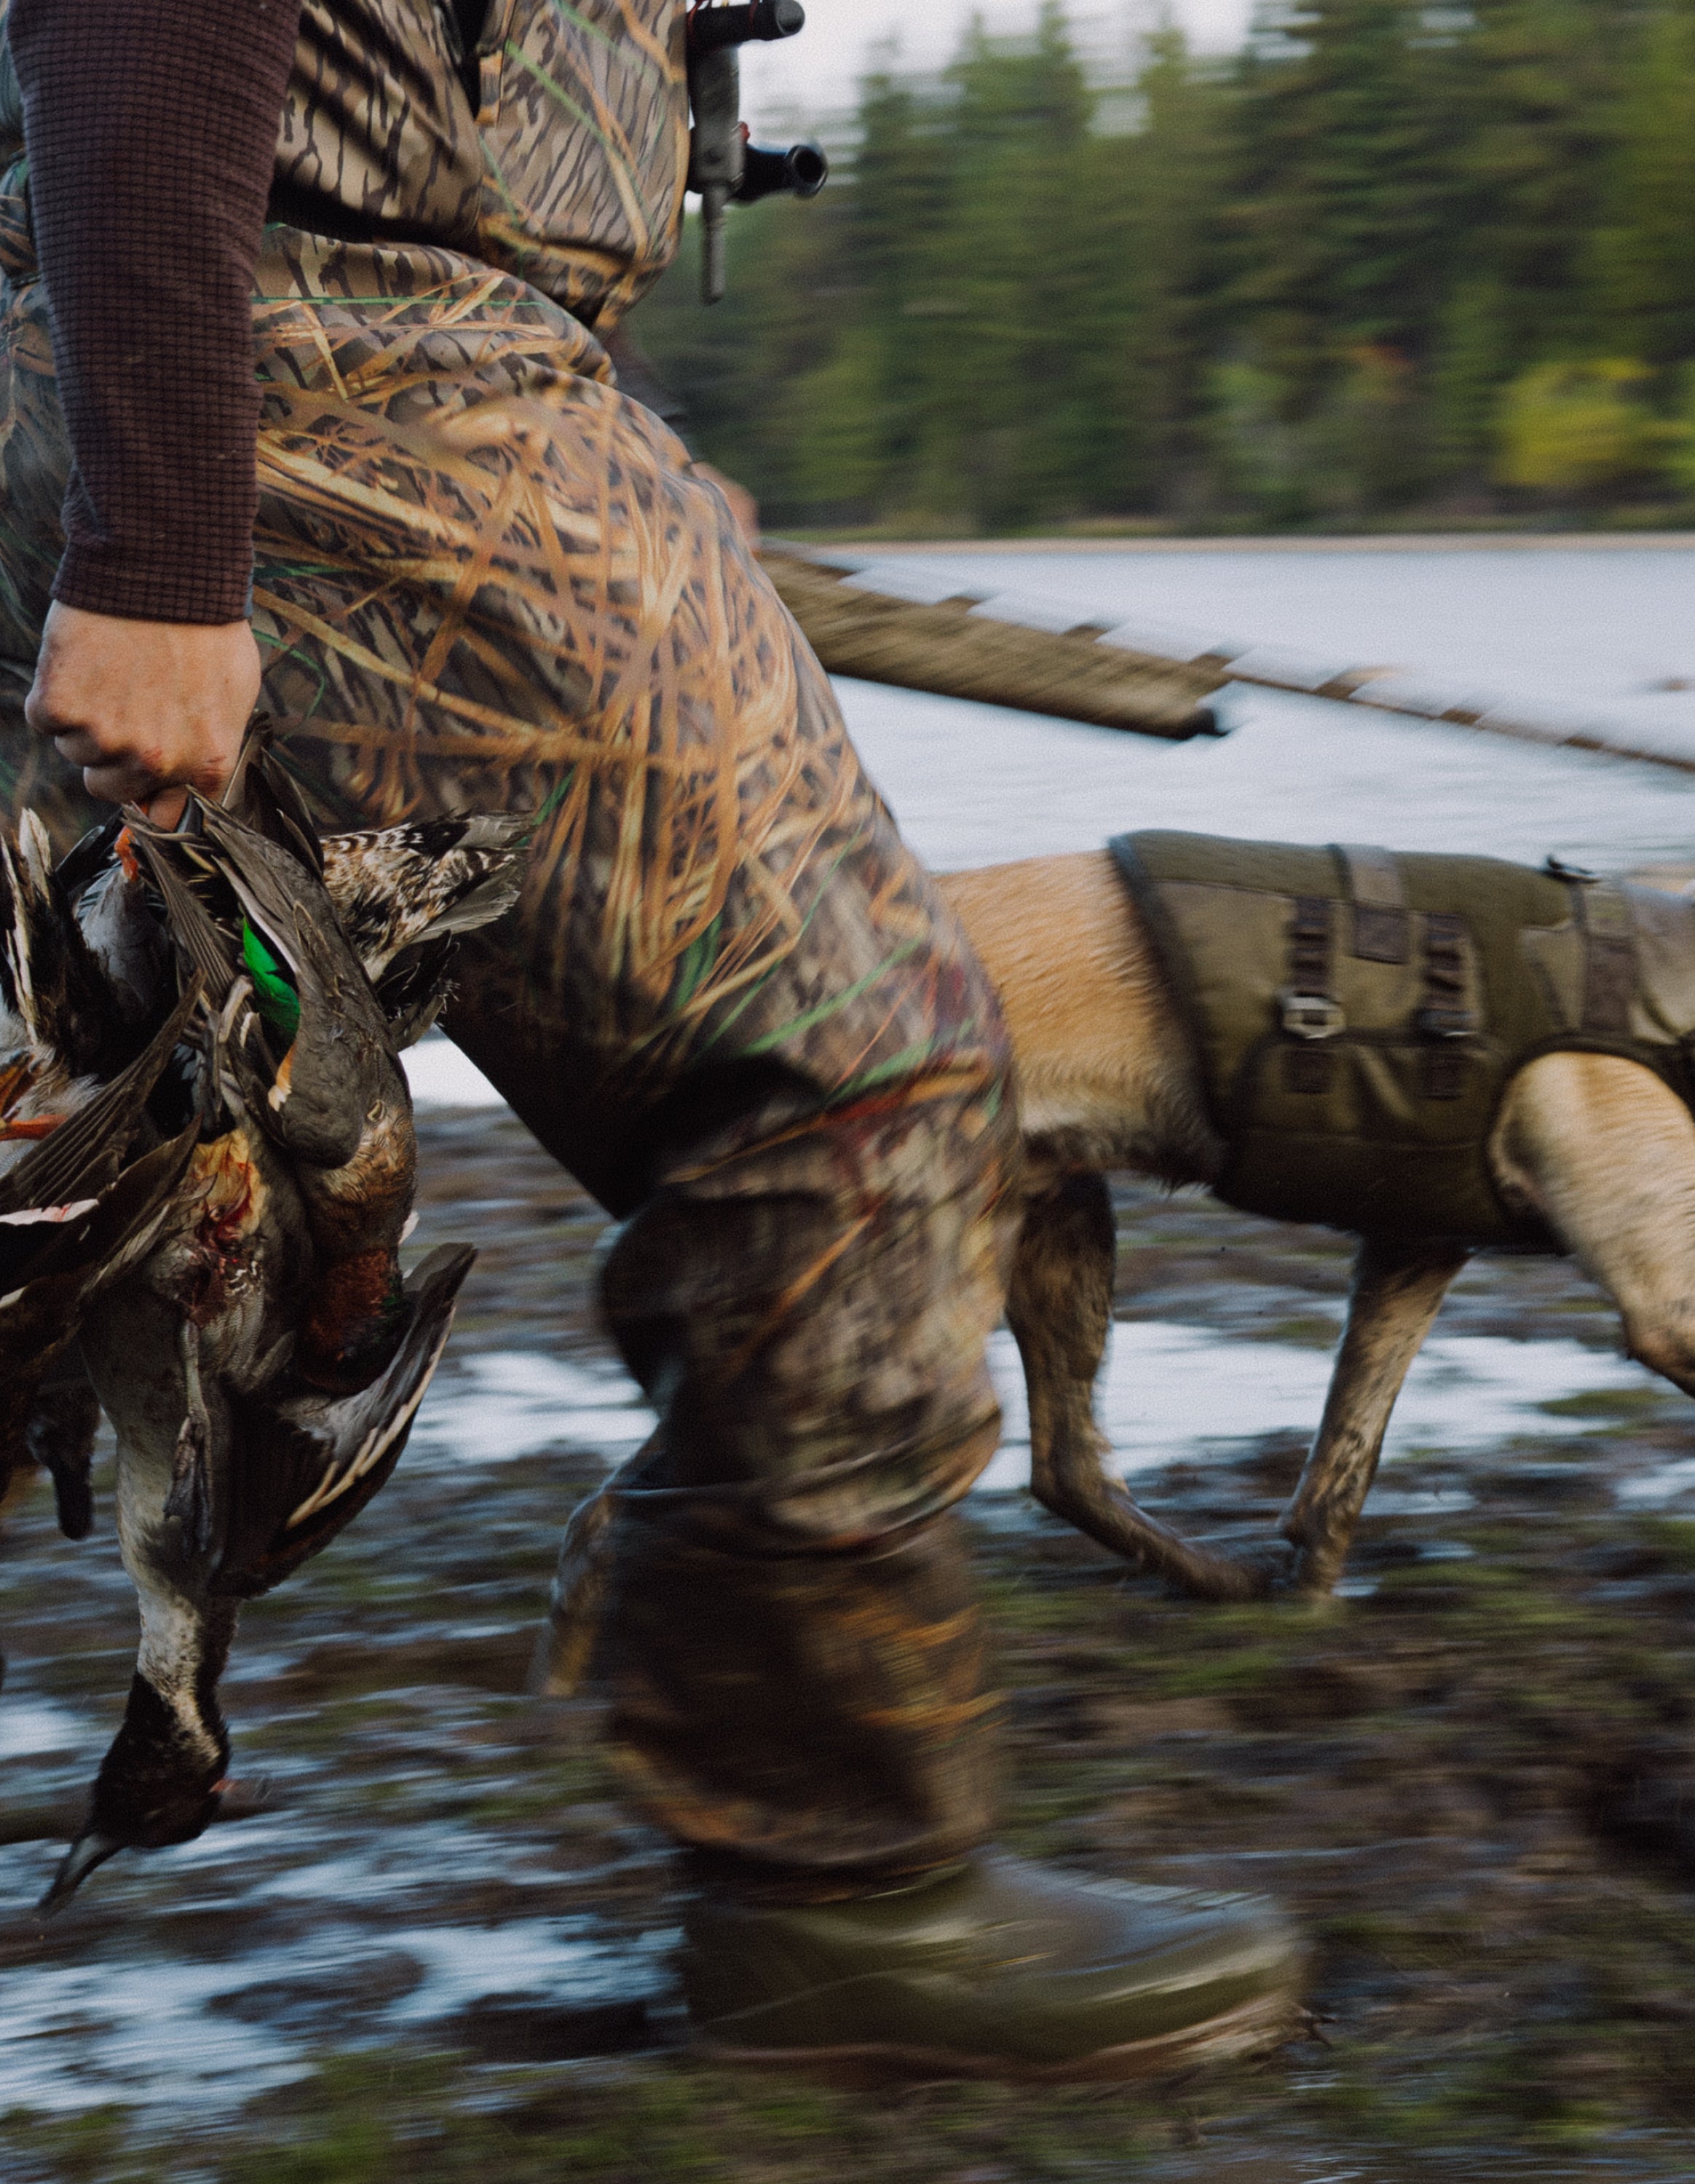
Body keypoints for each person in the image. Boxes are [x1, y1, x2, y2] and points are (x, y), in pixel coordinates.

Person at [0, 0, 1300, 2075]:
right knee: (857, 1068)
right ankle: (847, 1884)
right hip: (334, 367)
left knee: (69, 1170)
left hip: (335, 357)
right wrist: (161, 549)